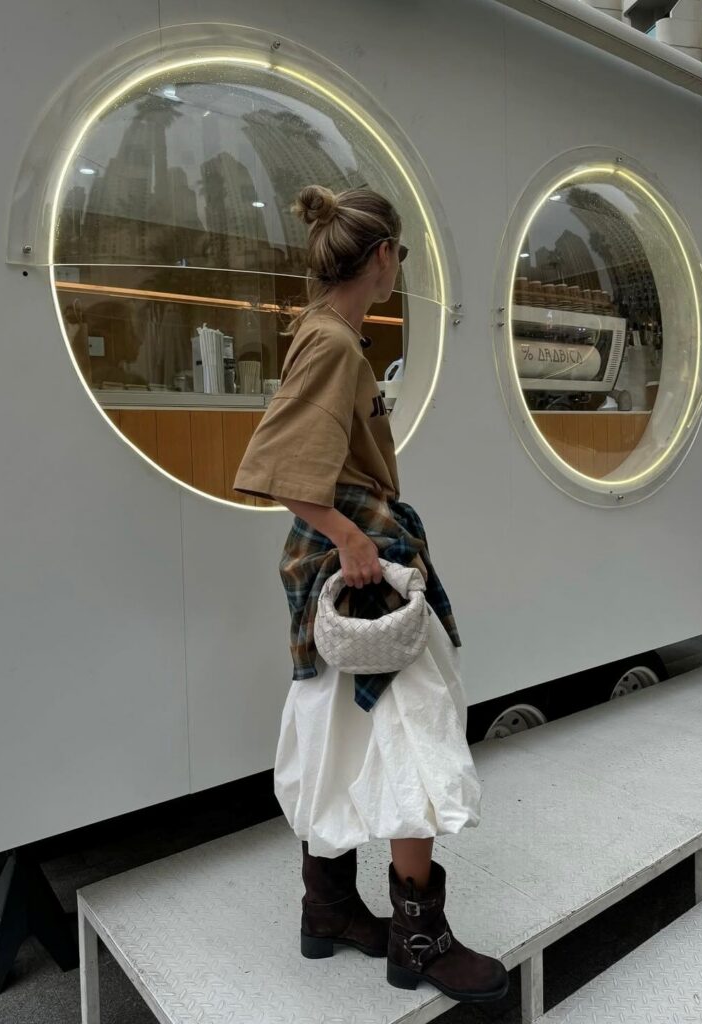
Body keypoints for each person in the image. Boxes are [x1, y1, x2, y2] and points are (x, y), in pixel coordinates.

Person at [233, 184, 508, 1003]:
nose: (400, 267)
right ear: (383, 255)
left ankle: (330, 911)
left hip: (333, 568)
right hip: (357, 567)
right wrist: (352, 539)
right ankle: (417, 939)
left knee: (337, 735)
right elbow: (274, 464)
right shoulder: (336, 345)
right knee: (416, 729)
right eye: (402, 255)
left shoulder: (322, 331)